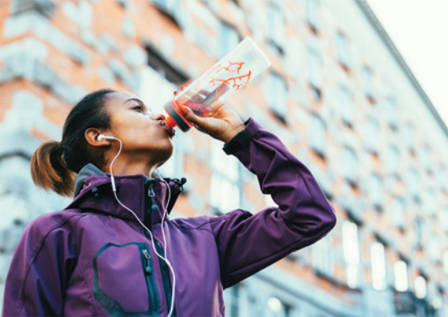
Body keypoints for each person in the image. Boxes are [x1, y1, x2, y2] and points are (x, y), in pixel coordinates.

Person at [2, 89, 336, 316]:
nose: (159, 117)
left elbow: (309, 215)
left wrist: (241, 136)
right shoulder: (57, 234)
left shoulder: (207, 239)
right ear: (99, 136)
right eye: (138, 109)